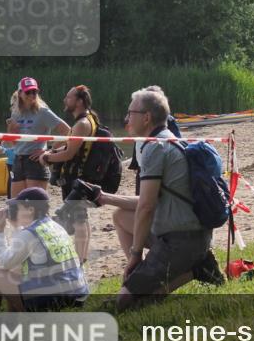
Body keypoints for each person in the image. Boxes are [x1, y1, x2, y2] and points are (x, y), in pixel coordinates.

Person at [93, 88, 222, 309]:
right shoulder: (166, 139)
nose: (126, 119)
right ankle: (164, 271)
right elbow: (145, 201)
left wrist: (135, 256)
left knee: (126, 303)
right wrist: (103, 197)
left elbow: (146, 207)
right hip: (185, 232)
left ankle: (198, 269)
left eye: (130, 112)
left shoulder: (155, 148)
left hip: (181, 239)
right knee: (121, 216)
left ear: (146, 117)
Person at [0, 187, 88, 338]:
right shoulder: (54, 226)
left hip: (53, 303)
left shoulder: (30, 234)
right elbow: (19, 259)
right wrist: (16, 226)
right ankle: (13, 322)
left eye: (17, 207)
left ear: (30, 209)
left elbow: (5, 262)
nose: (13, 210)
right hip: (76, 297)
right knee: (15, 273)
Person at [33, 85, 98, 264]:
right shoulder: (88, 120)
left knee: (78, 220)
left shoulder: (82, 124)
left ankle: (79, 260)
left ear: (79, 101)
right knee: (81, 218)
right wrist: (51, 152)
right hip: (78, 177)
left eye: (69, 97)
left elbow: (69, 154)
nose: (65, 100)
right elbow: (72, 148)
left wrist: (47, 158)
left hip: (75, 178)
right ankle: (82, 257)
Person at [8, 77, 71, 198]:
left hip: (35, 162)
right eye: (28, 92)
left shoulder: (43, 112)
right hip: (18, 160)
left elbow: (68, 132)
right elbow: (12, 144)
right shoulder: (15, 113)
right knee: (16, 206)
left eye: (34, 92)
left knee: (36, 207)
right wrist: (11, 130)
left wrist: (48, 151)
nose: (32, 95)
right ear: (20, 93)